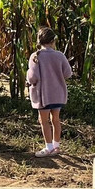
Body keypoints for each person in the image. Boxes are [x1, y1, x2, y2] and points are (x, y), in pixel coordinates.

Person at [25, 27, 73, 156]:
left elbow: (33, 77)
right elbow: (68, 73)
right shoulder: (60, 55)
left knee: (44, 121)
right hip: (58, 95)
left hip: (43, 96)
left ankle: (49, 147)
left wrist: (27, 76)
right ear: (53, 41)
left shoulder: (36, 56)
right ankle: (56, 146)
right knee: (55, 120)